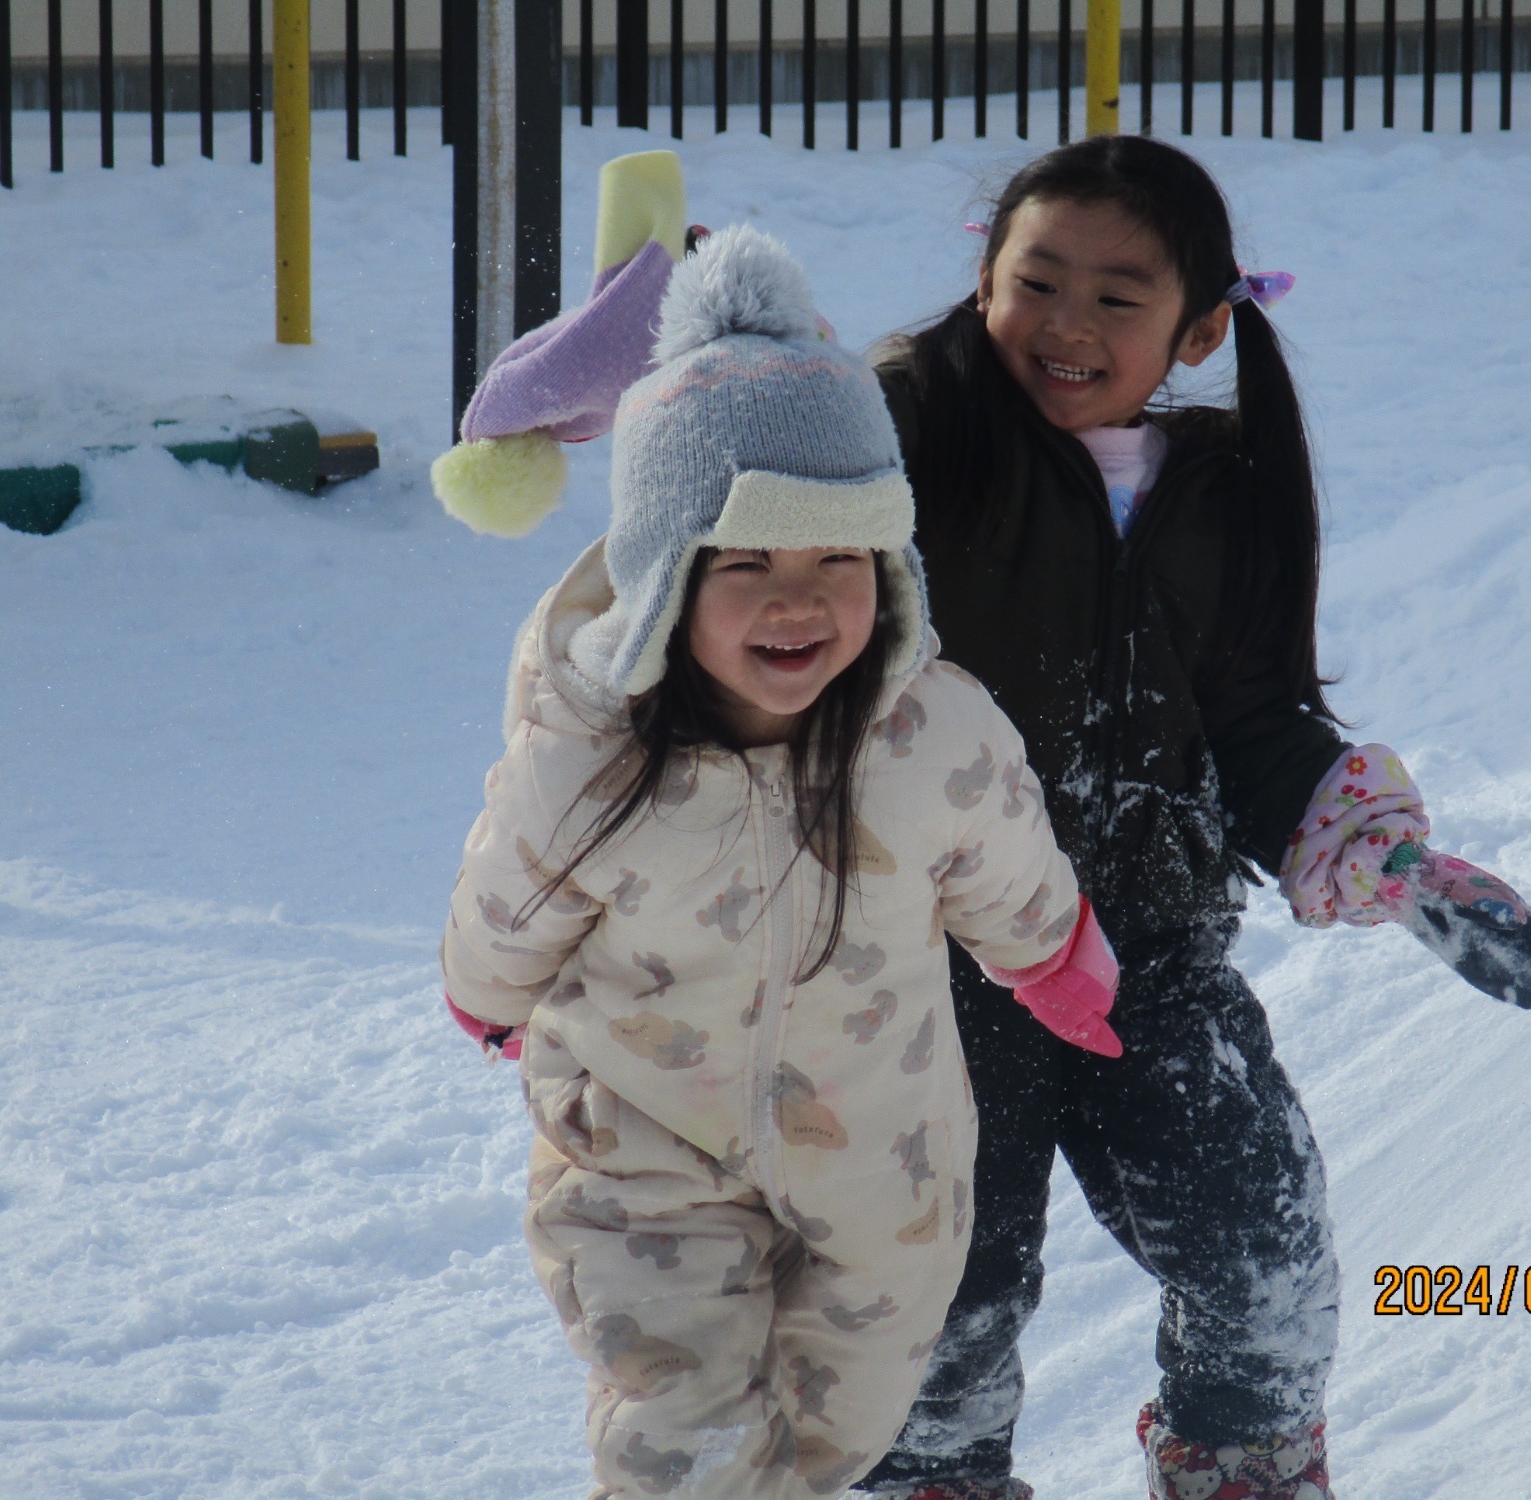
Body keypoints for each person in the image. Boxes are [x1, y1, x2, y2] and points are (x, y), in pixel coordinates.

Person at [856, 136, 1531, 1500]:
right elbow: (756, 531)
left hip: (1150, 955)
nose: (1068, 325)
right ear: (984, 279)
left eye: (1118, 298)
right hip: (924, 970)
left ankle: (1238, 1471)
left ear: (1198, 329)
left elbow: (1248, 724)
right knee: (939, 1309)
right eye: (1039, 282)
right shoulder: (907, 438)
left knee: (1266, 1253)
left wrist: (1390, 858)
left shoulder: (1217, 497)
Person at [435, 216, 1124, 1500]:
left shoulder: (929, 732)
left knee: (829, 1438)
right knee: (686, 1433)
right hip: (641, 1145)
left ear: (889, 563)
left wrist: (1054, 960)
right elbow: (506, 892)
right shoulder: (590, 754)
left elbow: (1005, 851)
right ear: (660, 583)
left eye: (835, 558)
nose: (797, 601)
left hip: (882, 1152)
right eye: (745, 562)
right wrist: (487, 993)